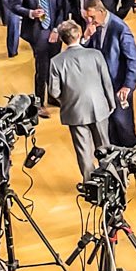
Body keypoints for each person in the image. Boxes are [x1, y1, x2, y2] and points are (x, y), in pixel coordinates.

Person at [44, 19, 115, 179]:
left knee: (83, 151)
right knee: (104, 147)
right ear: (80, 34)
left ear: (62, 39)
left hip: (74, 112)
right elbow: (107, 82)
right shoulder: (96, 54)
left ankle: (90, 184)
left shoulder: (56, 62)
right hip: (99, 107)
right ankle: (110, 179)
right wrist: (111, 103)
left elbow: (54, 91)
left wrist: (67, 100)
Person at [79, 0, 136, 148]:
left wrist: (128, 85)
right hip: (100, 84)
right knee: (108, 120)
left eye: (92, 16)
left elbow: (133, 59)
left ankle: (130, 149)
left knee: (122, 120)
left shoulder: (120, 29)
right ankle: (113, 149)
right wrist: (85, 37)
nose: (90, 21)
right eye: (87, 18)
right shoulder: (94, 27)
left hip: (118, 84)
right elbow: (83, 53)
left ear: (101, 11)